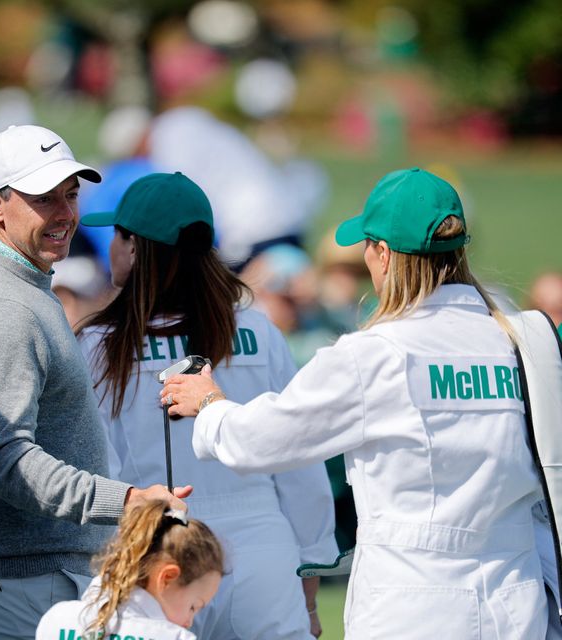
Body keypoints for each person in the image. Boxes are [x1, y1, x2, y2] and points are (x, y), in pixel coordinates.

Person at [161, 167, 548, 638]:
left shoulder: (377, 354)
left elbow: (262, 440)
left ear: (383, 253)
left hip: (413, 605)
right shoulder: (521, 343)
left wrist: (209, 403)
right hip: (517, 601)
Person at [0, 125, 190, 640]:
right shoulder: (3, 308)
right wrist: (125, 500)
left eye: (70, 194)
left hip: (33, 574)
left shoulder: (23, 290)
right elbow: (7, 462)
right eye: (44, 198)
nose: (65, 213)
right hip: (26, 580)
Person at [77, 172, 338, 639]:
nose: (111, 246)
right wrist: (310, 586)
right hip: (264, 547)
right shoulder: (258, 331)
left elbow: (98, 468)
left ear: (134, 247)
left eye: (117, 234)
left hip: (158, 553)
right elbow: (300, 464)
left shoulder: (99, 344)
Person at [36, 500, 224, 639]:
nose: (189, 622)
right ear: (167, 578)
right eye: (193, 607)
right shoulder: (175, 637)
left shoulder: (56, 618)